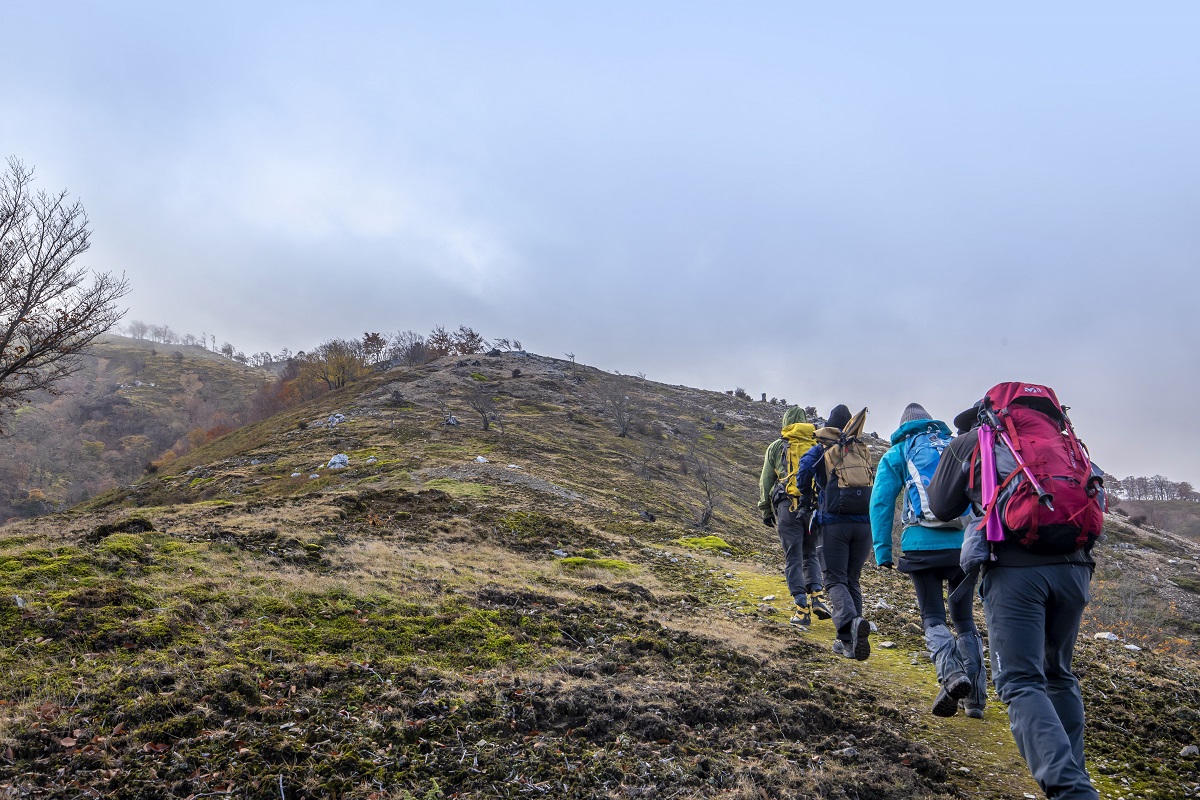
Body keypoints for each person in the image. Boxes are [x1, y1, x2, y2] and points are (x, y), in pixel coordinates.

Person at [928, 395, 1100, 800]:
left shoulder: (973, 441)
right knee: (1058, 674)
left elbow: (939, 505)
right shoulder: (1061, 439)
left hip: (1015, 571)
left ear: (982, 416)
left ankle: (1070, 791)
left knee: (1021, 682)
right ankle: (1075, 776)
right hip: (1075, 568)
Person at [869, 403, 985, 718]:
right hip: (964, 547)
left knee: (932, 615)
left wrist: (882, 550)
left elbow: (881, 501)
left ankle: (951, 675)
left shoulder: (897, 454)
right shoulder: (956, 446)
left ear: (904, 426)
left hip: (921, 547)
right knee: (964, 619)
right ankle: (975, 699)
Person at [797, 404, 872, 660]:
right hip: (864, 525)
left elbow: (804, 469)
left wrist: (806, 497)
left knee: (834, 579)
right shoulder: (860, 448)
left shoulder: (823, 447)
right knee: (852, 579)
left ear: (829, 425)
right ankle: (849, 642)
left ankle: (851, 624)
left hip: (834, 523)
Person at [757, 406, 831, 628]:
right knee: (811, 554)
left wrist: (766, 510)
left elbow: (766, 480)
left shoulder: (777, 447)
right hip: (812, 508)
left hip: (787, 508)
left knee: (793, 558)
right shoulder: (817, 445)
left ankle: (801, 610)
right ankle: (817, 596)